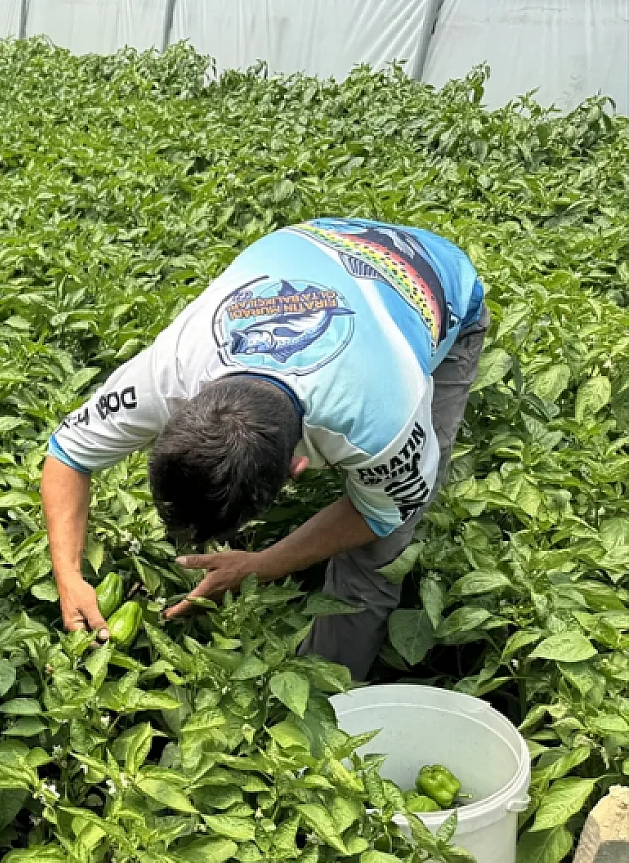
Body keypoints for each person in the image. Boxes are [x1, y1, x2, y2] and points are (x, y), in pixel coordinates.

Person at [42, 218, 488, 680]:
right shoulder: (167, 371)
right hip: (314, 241)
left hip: (436, 282)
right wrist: (69, 576)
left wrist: (264, 565)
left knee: (377, 561)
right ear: (176, 413)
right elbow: (68, 455)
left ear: (299, 466)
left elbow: (379, 516)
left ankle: (325, 706)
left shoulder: (385, 418)